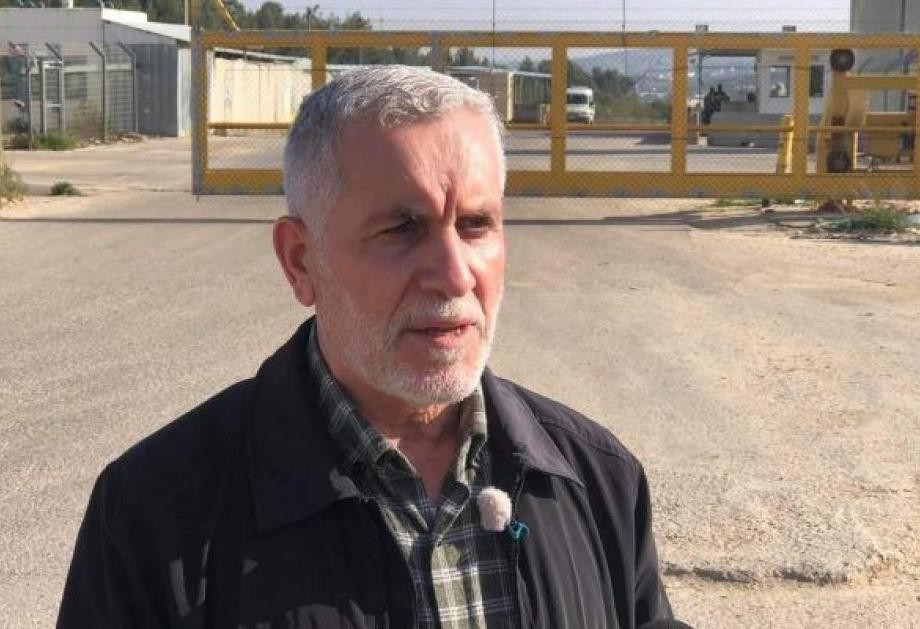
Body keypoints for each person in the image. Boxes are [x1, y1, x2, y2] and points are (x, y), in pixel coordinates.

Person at [57, 65, 674, 628]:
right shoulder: (153, 516)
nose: (455, 275)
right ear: (301, 261)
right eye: (403, 229)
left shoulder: (596, 478)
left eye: (475, 225)